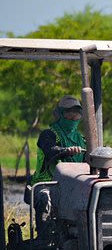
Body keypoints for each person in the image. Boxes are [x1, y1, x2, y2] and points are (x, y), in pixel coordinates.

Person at [29, 95, 86, 236]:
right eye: (69, 113)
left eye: (76, 113)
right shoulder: (49, 134)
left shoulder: (83, 139)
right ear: (60, 114)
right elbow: (50, 151)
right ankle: (43, 238)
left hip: (75, 185)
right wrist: (65, 151)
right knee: (45, 197)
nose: (73, 117)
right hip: (48, 183)